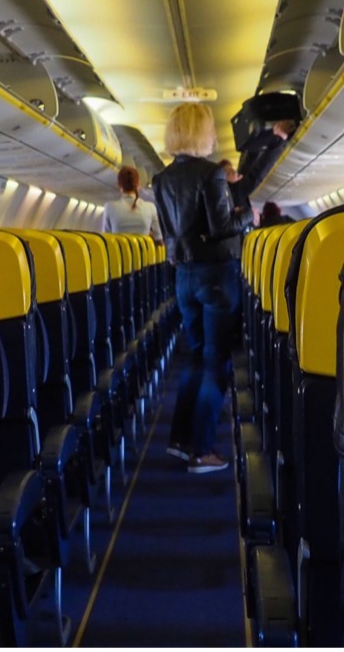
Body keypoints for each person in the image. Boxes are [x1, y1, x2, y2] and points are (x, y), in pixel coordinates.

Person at [150, 102, 242, 474]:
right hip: (216, 275)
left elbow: (168, 232)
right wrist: (246, 216)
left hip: (183, 276)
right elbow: (222, 228)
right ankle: (201, 450)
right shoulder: (211, 175)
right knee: (216, 361)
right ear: (203, 132)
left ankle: (179, 439)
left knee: (195, 354)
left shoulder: (161, 180)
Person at [228, 119, 298, 225]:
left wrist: (276, 138)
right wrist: (276, 139)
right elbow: (254, 173)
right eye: (230, 173)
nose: (236, 174)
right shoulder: (233, 195)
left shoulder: (232, 195)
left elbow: (251, 171)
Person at [100, 166, 163, 242]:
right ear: (138, 185)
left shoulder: (109, 207)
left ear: (119, 186)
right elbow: (159, 239)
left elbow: (105, 239)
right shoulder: (151, 207)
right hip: (143, 253)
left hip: (119, 253)